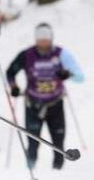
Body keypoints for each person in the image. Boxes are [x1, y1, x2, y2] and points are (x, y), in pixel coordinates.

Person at [6, 23, 85, 169]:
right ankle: (30, 171)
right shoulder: (27, 55)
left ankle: (58, 171)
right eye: (40, 37)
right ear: (35, 39)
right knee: (33, 143)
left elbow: (80, 77)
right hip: (32, 105)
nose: (43, 41)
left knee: (58, 143)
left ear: (51, 38)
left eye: (46, 37)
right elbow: (10, 72)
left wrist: (68, 74)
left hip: (55, 105)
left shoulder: (61, 54)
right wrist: (14, 87)